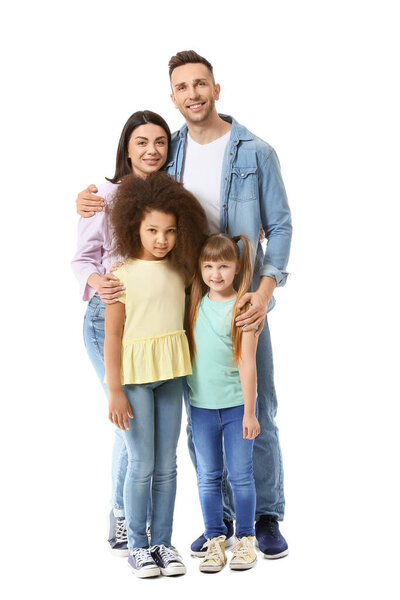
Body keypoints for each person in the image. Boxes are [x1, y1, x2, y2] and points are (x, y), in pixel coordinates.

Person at [76, 50, 292, 559]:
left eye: (201, 84)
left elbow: (279, 226)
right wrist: (90, 200)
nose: (192, 94)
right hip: (187, 299)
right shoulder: (168, 150)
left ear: (216, 89)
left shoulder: (254, 151)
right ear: (173, 97)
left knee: (253, 402)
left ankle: (264, 515)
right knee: (199, 405)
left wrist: (263, 292)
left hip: (240, 299)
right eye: (182, 87)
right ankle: (214, 522)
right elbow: (128, 186)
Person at [71, 110, 173, 556]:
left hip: (156, 323)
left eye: (160, 142)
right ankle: (124, 517)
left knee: (134, 428)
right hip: (108, 317)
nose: (151, 150)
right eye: (141, 142)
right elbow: (82, 259)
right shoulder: (102, 196)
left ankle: (125, 515)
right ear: (126, 147)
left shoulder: (172, 194)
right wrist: (99, 282)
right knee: (127, 419)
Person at [104, 171, 207, 577]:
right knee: (141, 460)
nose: (161, 239)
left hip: (172, 374)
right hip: (133, 379)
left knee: (167, 462)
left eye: (169, 231)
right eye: (152, 230)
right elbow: (112, 335)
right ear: (135, 227)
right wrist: (114, 390)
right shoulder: (121, 276)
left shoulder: (182, 273)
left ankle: (163, 542)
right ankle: (137, 546)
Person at [186, 233, 260, 573]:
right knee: (208, 476)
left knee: (241, 477)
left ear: (237, 267)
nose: (216, 273)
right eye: (209, 265)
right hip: (201, 407)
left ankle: (245, 538)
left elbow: (247, 362)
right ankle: (215, 538)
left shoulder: (242, 307)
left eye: (224, 266)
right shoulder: (194, 301)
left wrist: (249, 411)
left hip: (235, 408)